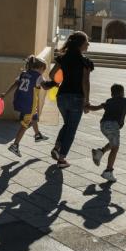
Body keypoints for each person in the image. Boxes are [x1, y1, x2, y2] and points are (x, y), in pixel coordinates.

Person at [49, 31, 94, 169]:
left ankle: (57, 147)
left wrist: (62, 81)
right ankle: (61, 159)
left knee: (67, 124)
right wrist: (86, 102)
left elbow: (51, 74)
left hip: (61, 97)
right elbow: (85, 82)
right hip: (77, 98)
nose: (88, 44)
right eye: (86, 42)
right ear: (81, 44)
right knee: (71, 128)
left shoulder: (63, 58)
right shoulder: (84, 61)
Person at [0, 55, 51, 157]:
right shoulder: (38, 76)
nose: (43, 72)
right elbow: (45, 87)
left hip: (20, 101)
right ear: (40, 68)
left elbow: (15, 85)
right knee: (25, 124)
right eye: (43, 70)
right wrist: (54, 83)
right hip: (29, 104)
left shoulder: (23, 74)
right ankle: (15, 145)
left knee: (34, 116)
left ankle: (37, 135)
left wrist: (5, 94)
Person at [87, 84, 126, 182]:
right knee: (115, 147)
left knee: (113, 142)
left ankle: (100, 152)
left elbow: (95, 108)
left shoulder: (109, 101)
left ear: (112, 94)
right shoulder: (125, 101)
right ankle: (108, 171)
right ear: (122, 93)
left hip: (103, 125)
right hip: (113, 125)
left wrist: (86, 106)